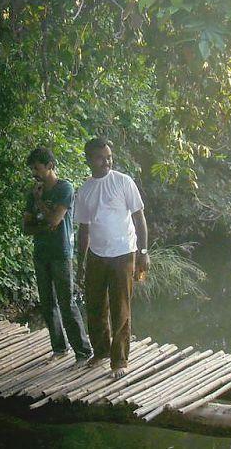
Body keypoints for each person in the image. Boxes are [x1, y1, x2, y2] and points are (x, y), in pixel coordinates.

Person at [73, 137, 149, 379]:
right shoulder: (84, 191)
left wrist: (143, 253)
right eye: (100, 157)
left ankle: (119, 360)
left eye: (109, 157)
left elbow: (139, 218)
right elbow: (83, 230)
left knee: (121, 308)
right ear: (88, 160)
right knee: (95, 306)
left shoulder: (123, 182)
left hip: (123, 254)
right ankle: (101, 351)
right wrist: (80, 262)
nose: (106, 161)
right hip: (96, 255)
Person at [23, 147, 93, 364]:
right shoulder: (32, 192)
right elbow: (26, 228)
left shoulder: (65, 188)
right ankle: (59, 349)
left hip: (60, 253)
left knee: (66, 302)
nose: (34, 173)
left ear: (50, 166)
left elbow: (55, 220)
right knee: (47, 303)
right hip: (41, 253)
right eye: (32, 169)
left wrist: (41, 206)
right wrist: (45, 223)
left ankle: (82, 351)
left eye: (37, 168)